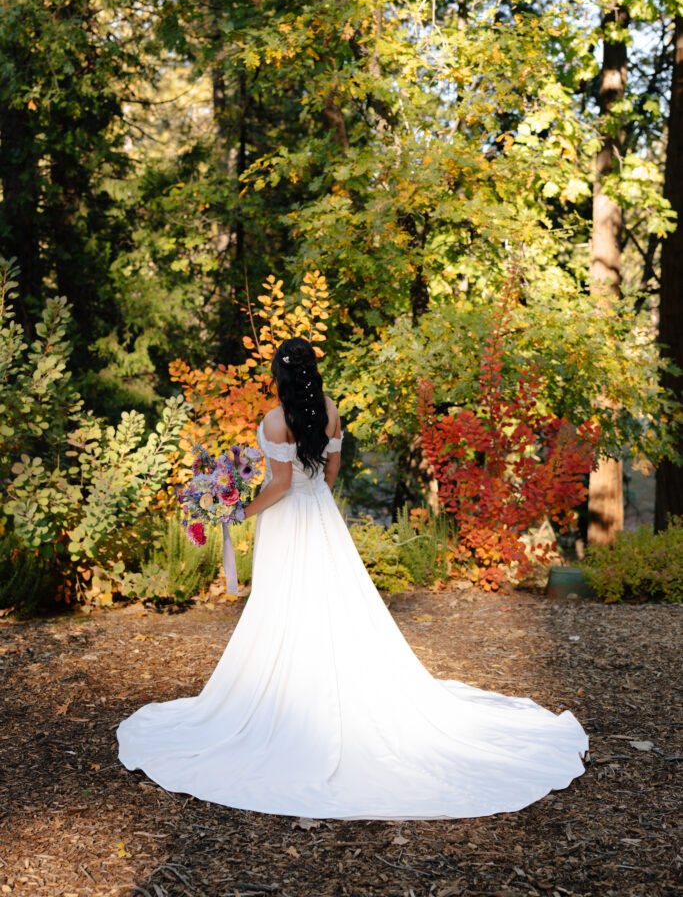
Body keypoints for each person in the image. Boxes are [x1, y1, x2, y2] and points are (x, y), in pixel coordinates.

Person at [117, 336, 588, 819]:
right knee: (333, 600)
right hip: (321, 514)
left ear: (279, 376)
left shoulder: (275, 421)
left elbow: (279, 485)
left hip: (285, 519)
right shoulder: (331, 408)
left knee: (286, 604)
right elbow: (330, 471)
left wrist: (238, 512)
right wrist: (314, 501)